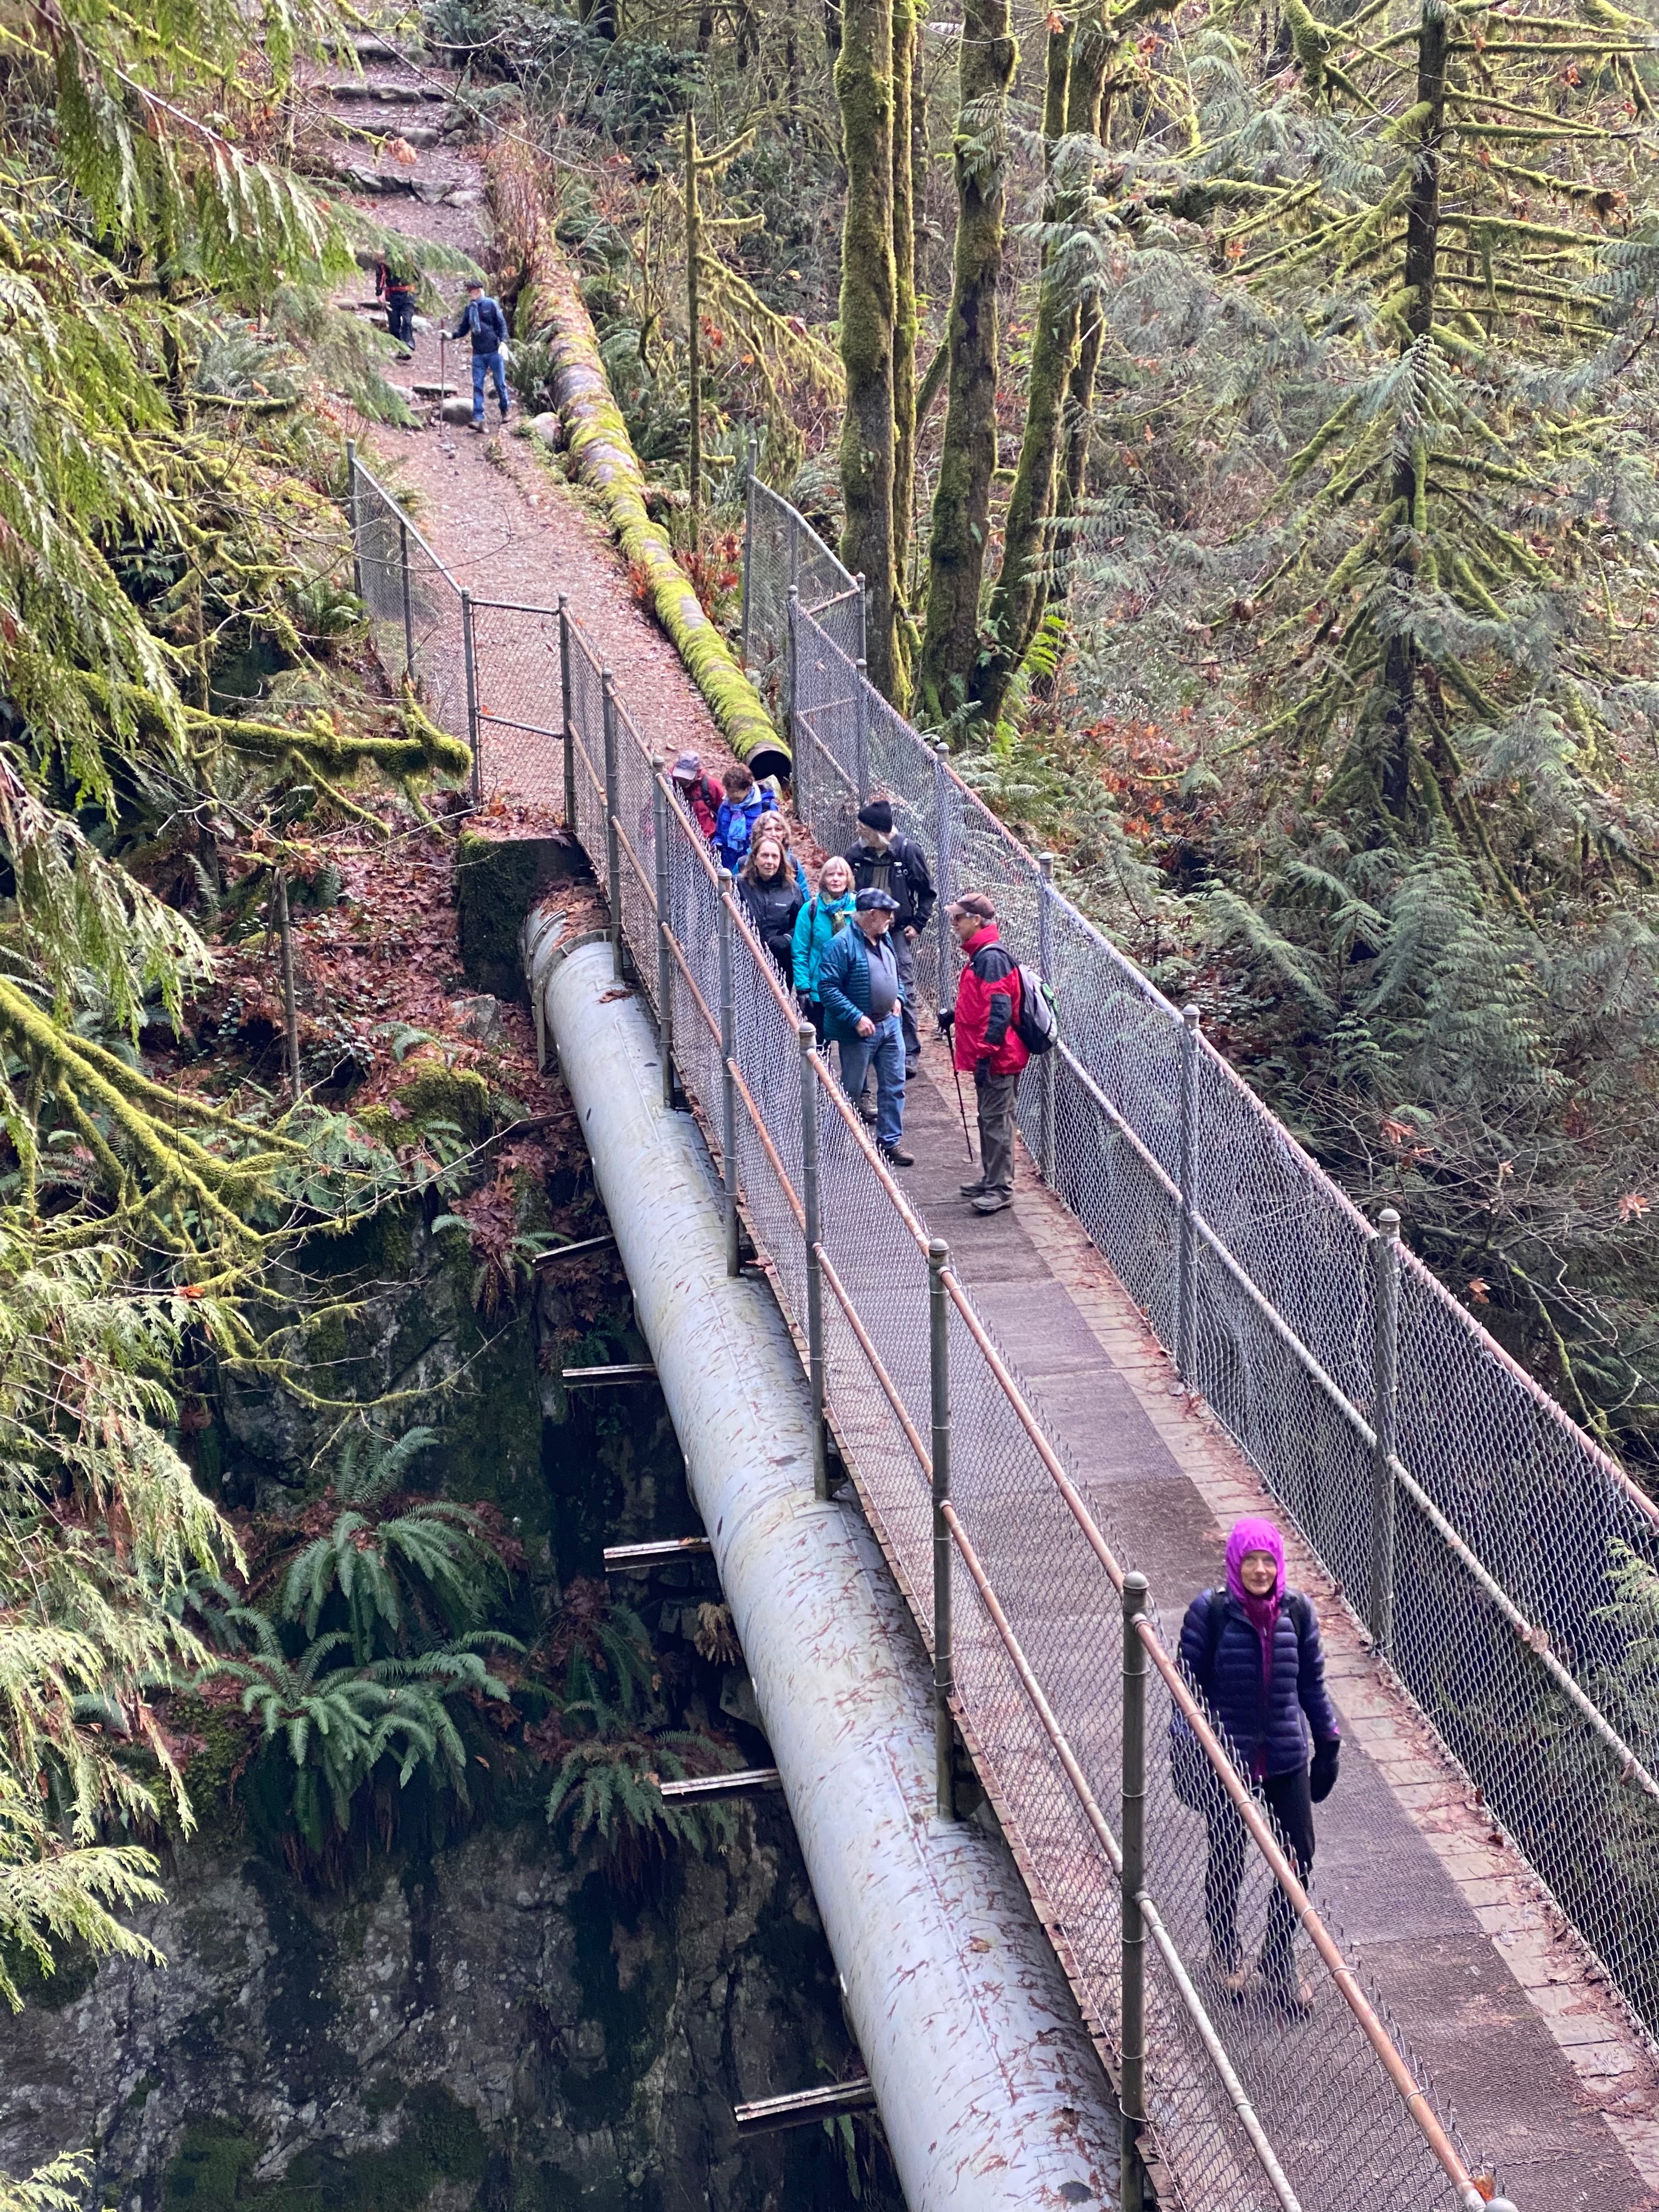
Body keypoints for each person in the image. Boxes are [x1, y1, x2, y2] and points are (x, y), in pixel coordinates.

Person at [1178, 1517, 1341, 2015]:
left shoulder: (1297, 1612)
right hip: (1230, 1758)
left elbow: (1311, 1684)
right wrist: (1187, 1752)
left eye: (1269, 1560)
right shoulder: (1211, 1614)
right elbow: (1186, 1688)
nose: (1260, 1569)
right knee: (1229, 1853)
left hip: (1286, 1757)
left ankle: (1278, 1952)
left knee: (1299, 1858)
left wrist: (1328, 1742)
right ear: (1235, 1563)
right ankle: (1225, 1948)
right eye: (1250, 1560)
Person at [941, 893, 1028, 1215]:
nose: (954, 924)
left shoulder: (991, 958)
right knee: (990, 1118)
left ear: (976, 920)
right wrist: (955, 1014)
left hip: (998, 1056)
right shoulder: (982, 955)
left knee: (997, 1121)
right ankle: (992, 1178)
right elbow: (982, 1003)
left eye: (959, 918)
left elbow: (999, 1010)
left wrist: (985, 1054)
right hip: (992, 1054)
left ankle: (1000, 1188)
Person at [819, 888, 913, 1169]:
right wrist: (856, 1017)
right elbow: (828, 988)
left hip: (889, 1024)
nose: (891, 918)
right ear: (872, 915)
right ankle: (835, 1142)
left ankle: (890, 1142)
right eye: (887, 913)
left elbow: (895, 974)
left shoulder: (884, 940)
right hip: (860, 1031)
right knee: (851, 1089)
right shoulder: (841, 945)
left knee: (894, 1085)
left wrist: (898, 997)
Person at [843, 798, 935, 1077]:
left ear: (878, 831)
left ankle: (908, 1052)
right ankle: (866, 1044)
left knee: (903, 988)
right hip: (862, 927)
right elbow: (845, 886)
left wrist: (918, 924)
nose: (859, 833)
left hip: (897, 930)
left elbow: (927, 892)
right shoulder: (857, 854)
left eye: (863, 829)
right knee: (860, 982)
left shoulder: (907, 852)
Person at [792, 855, 856, 1039]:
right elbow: (800, 951)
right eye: (831, 875)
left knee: (851, 1041)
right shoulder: (810, 909)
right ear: (824, 879)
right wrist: (803, 987)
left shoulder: (859, 907)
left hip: (851, 987)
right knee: (820, 1042)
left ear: (848, 879)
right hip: (818, 988)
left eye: (841, 875)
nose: (836, 879)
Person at [737, 835, 804, 981]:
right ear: (755, 859)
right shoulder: (739, 885)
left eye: (775, 857)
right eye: (765, 856)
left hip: (780, 962)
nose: (770, 862)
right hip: (743, 959)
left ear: (781, 861)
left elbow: (802, 925)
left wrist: (787, 939)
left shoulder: (793, 889)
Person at [453, 278, 510, 433]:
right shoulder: (469, 309)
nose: (469, 294)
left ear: (478, 291)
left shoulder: (491, 305)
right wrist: (450, 336)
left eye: (471, 291)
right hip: (478, 354)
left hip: (494, 352)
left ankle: (505, 410)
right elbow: (464, 330)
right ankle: (478, 418)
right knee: (478, 385)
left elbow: (502, 325)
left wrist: (503, 342)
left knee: (500, 383)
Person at [713, 762, 768, 876]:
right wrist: (716, 844)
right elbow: (719, 834)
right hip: (728, 864)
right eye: (729, 791)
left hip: (754, 867)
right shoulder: (725, 806)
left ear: (748, 788)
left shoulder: (765, 807)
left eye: (735, 792)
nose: (731, 796)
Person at [753, 809, 809, 896]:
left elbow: (805, 902)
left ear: (784, 833)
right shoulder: (746, 861)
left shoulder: (794, 864)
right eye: (768, 829)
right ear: (760, 833)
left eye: (778, 829)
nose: (773, 834)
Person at [670, 751, 723, 839]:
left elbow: (725, 810)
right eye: (681, 777)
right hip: (676, 838)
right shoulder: (669, 783)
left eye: (686, 778)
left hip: (705, 837)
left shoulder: (710, 785)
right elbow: (653, 809)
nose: (683, 781)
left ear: (697, 773)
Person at [376, 258, 417, 353]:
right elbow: (381, 276)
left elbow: (418, 275)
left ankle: (407, 345)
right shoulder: (385, 261)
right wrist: (379, 292)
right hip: (392, 295)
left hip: (408, 294)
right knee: (394, 326)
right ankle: (400, 348)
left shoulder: (410, 258)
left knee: (406, 319)